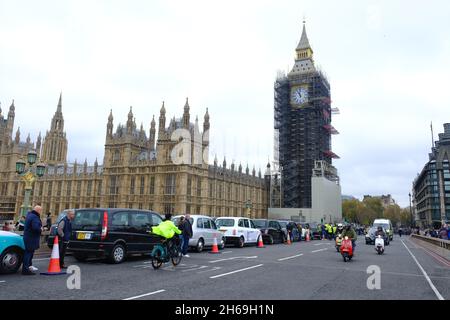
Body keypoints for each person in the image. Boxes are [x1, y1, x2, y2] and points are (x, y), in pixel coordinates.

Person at [22, 205, 43, 275]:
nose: (41, 212)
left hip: (28, 237)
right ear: (38, 210)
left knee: (28, 253)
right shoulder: (35, 217)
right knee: (28, 253)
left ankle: (28, 267)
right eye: (40, 210)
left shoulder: (29, 215)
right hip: (31, 238)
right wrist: (41, 229)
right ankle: (25, 269)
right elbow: (35, 228)